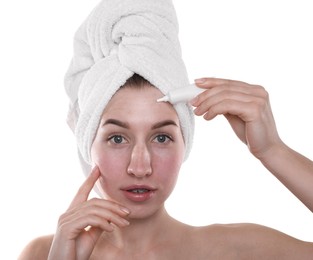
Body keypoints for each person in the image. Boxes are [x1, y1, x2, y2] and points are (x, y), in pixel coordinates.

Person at [18, 0, 313, 259]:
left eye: (161, 137)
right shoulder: (44, 254)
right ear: (87, 145)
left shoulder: (237, 250)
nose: (140, 166)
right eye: (117, 138)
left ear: (185, 143)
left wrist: (272, 150)